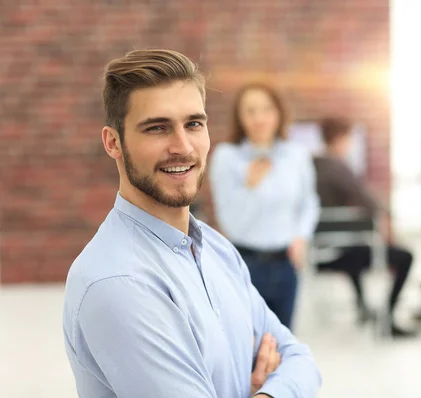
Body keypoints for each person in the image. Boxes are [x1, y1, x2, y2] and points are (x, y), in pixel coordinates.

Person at [62, 49, 321, 398]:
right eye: (157, 128)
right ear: (113, 143)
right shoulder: (118, 282)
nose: (183, 146)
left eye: (194, 124)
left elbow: (301, 361)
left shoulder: (216, 249)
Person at [209, 83, 320, 330]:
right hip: (245, 264)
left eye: (266, 109)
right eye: (250, 111)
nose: (259, 118)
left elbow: (308, 203)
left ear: (279, 113)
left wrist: (301, 237)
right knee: (248, 346)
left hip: (286, 263)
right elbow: (230, 221)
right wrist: (250, 186)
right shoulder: (227, 157)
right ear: (239, 116)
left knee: (282, 343)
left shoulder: (296, 155)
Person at [313, 117, 417, 337]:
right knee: (405, 256)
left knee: (357, 247)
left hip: (318, 252)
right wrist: (386, 217)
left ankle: (363, 309)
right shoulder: (337, 166)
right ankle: (387, 320)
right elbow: (368, 201)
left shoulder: (313, 166)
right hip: (340, 252)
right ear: (341, 139)